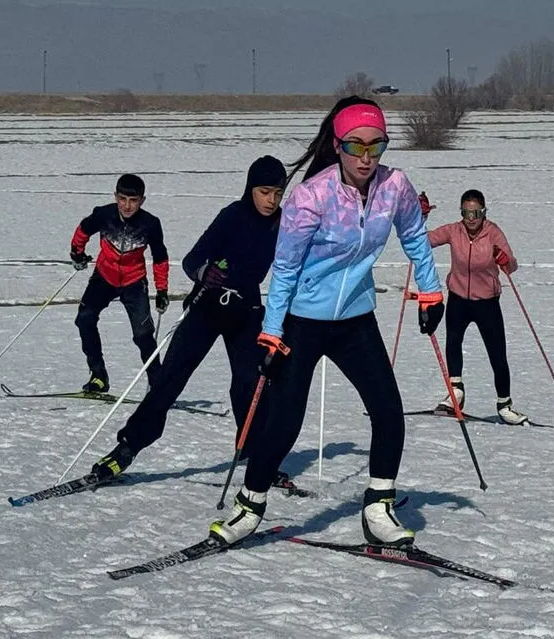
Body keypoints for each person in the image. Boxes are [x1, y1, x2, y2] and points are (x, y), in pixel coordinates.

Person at [208, 96, 445, 548]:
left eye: (376, 146)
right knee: (285, 421)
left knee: (388, 410)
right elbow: (285, 269)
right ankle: (250, 505)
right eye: (355, 146)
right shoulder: (311, 196)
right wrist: (271, 332)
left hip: (356, 319)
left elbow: (415, 234)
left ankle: (378, 507)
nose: (366, 157)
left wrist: (431, 292)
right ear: (337, 146)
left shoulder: (394, 187)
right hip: (303, 321)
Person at [87, 156, 290, 483]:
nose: (271, 200)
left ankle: (259, 458)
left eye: (278, 193)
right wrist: (204, 272)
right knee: (170, 379)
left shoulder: (283, 223)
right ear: (250, 189)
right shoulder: (232, 215)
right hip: (207, 306)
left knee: (250, 384)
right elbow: (193, 259)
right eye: (264, 192)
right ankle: (127, 448)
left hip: (246, 309)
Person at [423, 189, 526, 425]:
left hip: (487, 303)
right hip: (458, 299)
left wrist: (504, 259)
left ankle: (505, 405)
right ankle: (456, 393)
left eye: (476, 213)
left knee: (497, 354)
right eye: (466, 213)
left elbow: (511, 266)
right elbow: (422, 241)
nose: (471, 219)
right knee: (453, 343)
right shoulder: (454, 231)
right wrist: (419, 219)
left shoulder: (493, 233)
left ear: (484, 212)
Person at [69, 173, 168, 393]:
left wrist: (162, 290)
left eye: (133, 200)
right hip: (104, 277)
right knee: (84, 319)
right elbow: (83, 229)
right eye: (122, 199)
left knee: (143, 335)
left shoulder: (151, 224)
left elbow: (160, 258)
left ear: (142, 200)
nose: (127, 206)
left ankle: (159, 385)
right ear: (115, 197)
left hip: (134, 281)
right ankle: (98, 376)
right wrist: (77, 252)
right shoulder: (103, 214)